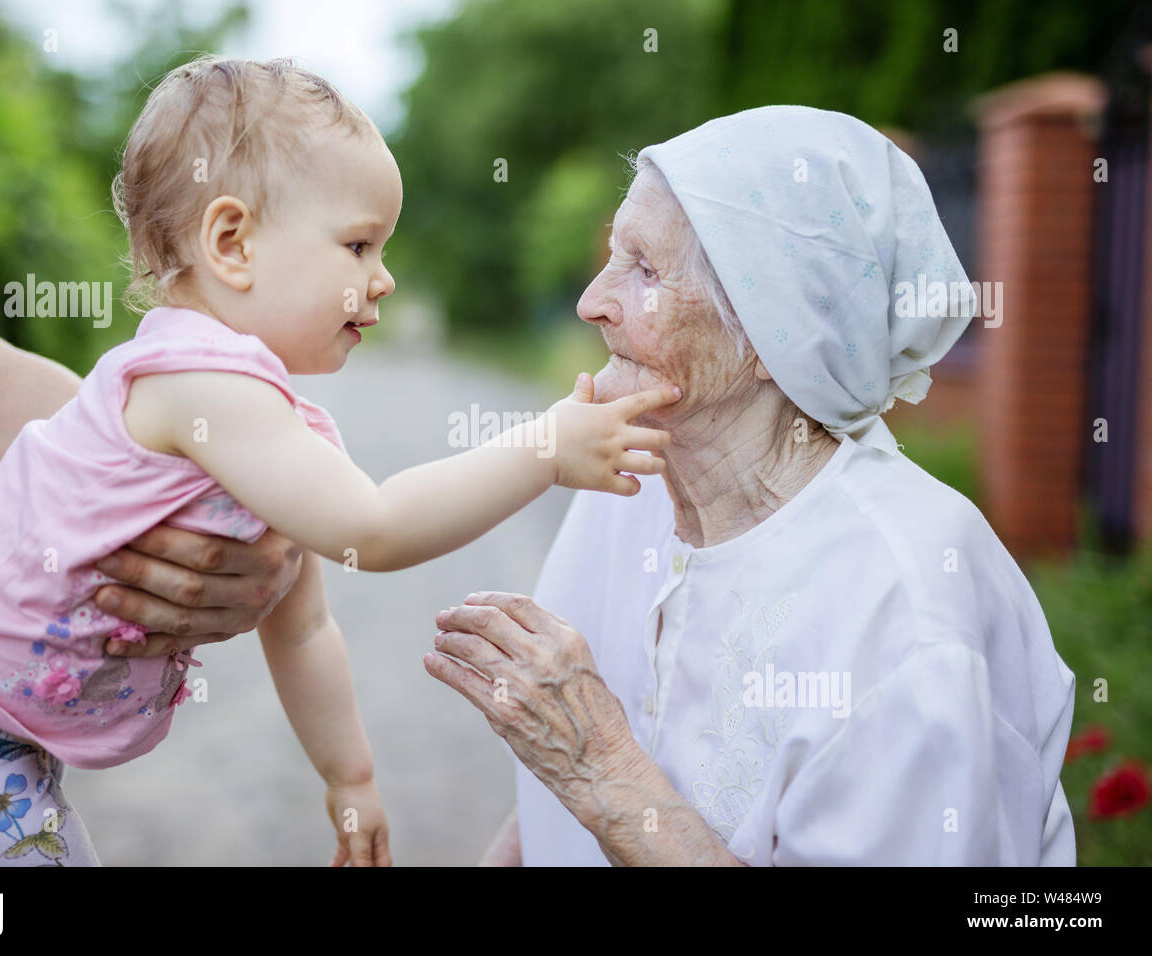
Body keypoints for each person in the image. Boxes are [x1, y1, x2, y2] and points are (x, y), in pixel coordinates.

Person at [0, 56, 679, 867]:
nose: (383, 279)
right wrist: (543, 447)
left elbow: (303, 622)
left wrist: (348, 776)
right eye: (358, 245)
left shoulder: (263, 426)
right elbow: (376, 527)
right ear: (232, 242)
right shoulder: (200, 385)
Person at [428, 106, 1078, 866]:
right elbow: (547, 812)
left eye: (643, 270)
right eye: (611, 256)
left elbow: (583, 773)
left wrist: (602, 771)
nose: (591, 301)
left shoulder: (905, 605)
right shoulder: (627, 481)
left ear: (781, 334)